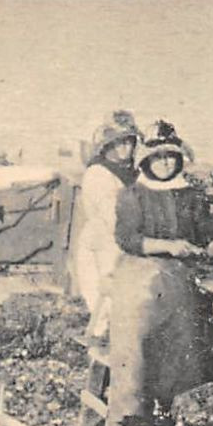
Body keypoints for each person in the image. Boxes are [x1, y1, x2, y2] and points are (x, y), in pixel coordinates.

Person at [105, 121, 213, 426]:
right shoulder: (132, 196)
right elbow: (127, 238)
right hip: (138, 277)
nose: (165, 165)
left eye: (170, 159)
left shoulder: (191, 194)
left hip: (179, 281)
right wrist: (169, 246)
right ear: (146, 162)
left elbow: (206, 229)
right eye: (157, 159)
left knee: (185, 348)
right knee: (134, 349)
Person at [71, 111, 139, 343]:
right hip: (103, 243)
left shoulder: (131, 171)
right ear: (107, 145)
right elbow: (114, 217)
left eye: (130, 142)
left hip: (121, 240)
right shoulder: (99, 174)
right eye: (119, 143)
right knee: (106, 303)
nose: (125, 149)